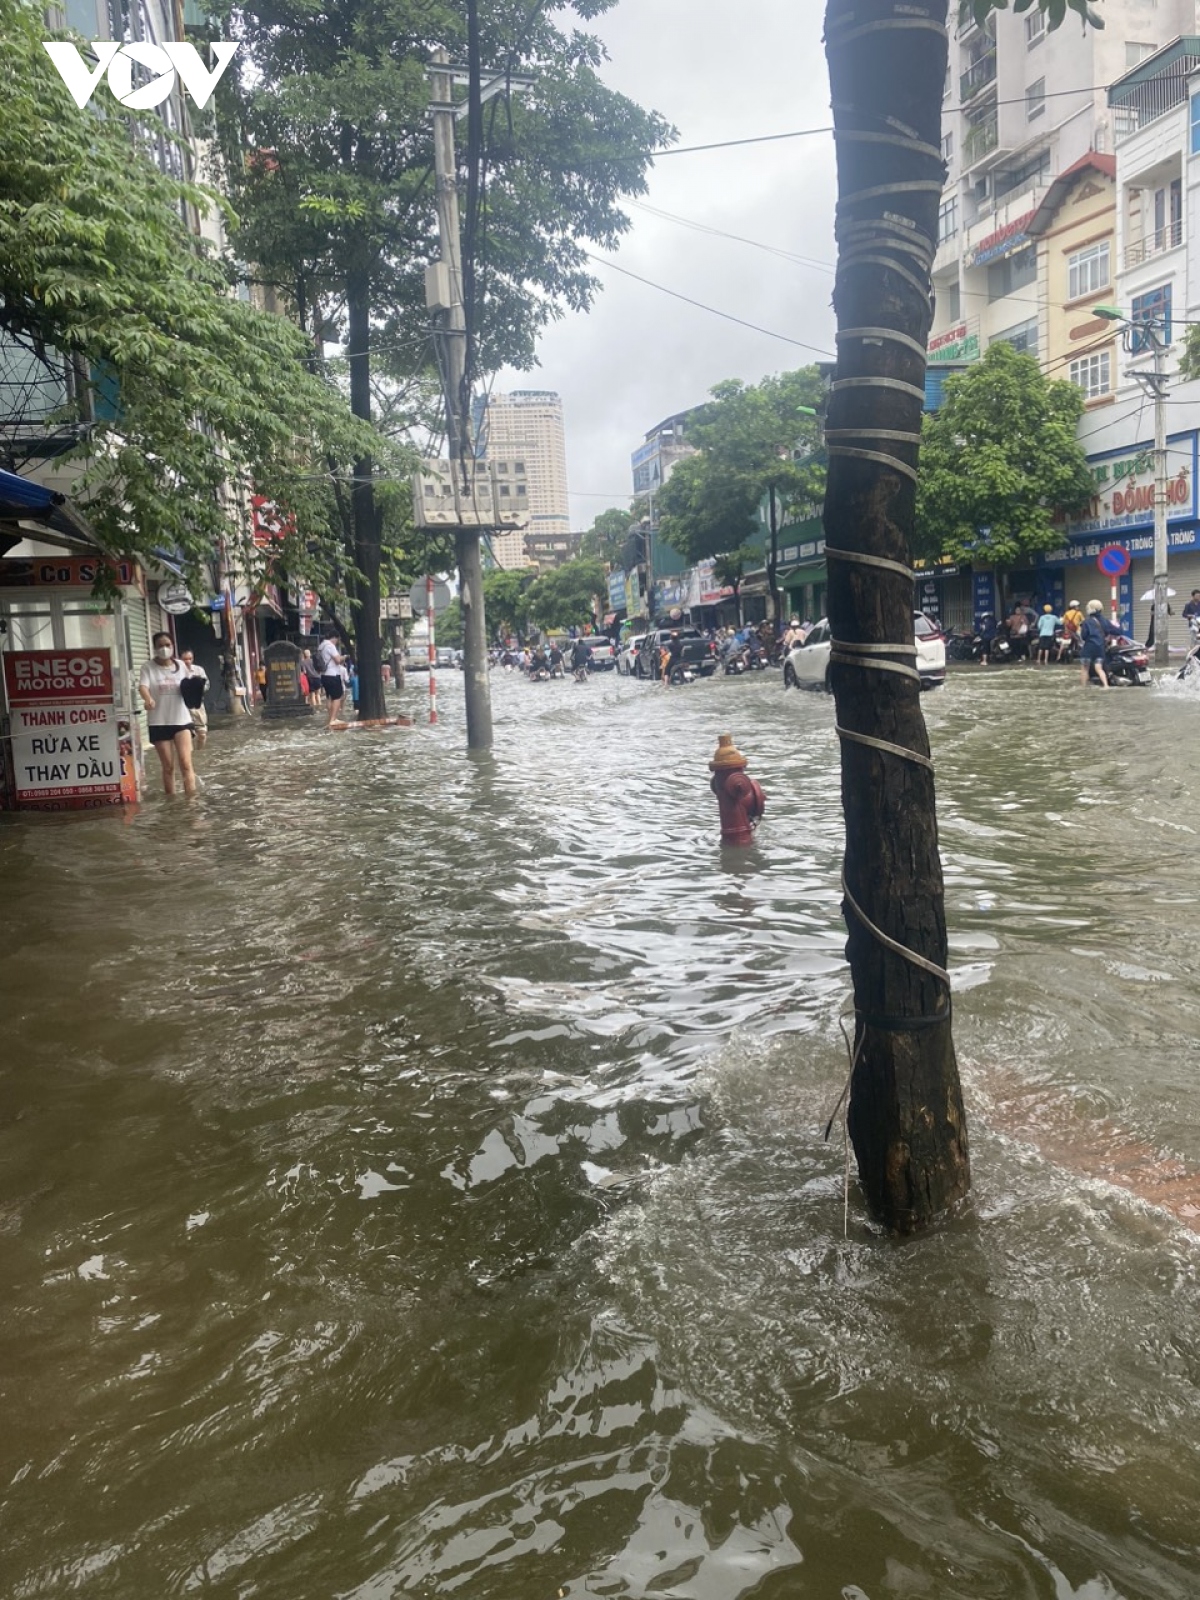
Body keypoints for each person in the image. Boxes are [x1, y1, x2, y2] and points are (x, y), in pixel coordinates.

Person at [138, 633, 198, 795]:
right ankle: (171, 803)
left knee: (185, 763)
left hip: (182, 720)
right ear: (155, 647)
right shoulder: (148, 667)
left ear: (172, 646)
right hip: (159, 722)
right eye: (160, 645)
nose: (164, 648)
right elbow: (143, 686)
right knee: (168, 766)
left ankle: (191, 803)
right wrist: (148, 699)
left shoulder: (180, 666)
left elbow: (191, 687)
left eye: (168, 644)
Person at [1080, 599, 1120, 689]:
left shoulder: (1086, 622)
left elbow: (1083, 636)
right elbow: (1117, 631)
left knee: (1085, 669)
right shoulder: (1105, 621)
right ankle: (1106, 685)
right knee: (1099, 668)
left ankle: (1083, 688)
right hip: (1100, 648)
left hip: (1088, 649)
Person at [178, 649, 209, 746]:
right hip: (182, 705)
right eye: (185, 659)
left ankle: (199, 752)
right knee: (186, 734)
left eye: (190, 658)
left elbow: (207, 684)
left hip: (197, 705)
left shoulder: (199, 670)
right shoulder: (176, 671)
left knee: (202, 733)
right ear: (180, 659)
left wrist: (198, 688)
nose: (187, 661)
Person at [317, 630, 346, 728]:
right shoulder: (330, 646)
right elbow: (337, 660)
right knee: (337, 697)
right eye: (337, 640)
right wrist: (344, 657)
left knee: (329, 697)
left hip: (324, 675)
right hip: (333, 674)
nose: (337, 642)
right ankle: (333, 719)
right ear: (334, 637)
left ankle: (331, 718)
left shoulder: (321, 646)